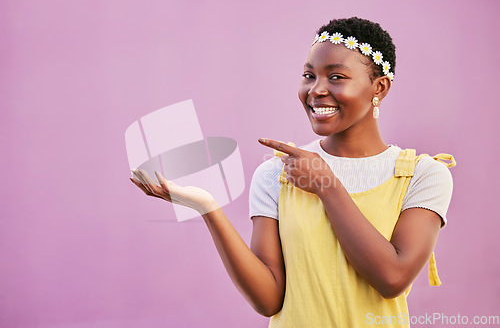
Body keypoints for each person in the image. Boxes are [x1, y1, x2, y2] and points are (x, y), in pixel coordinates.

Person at [129, 17, 455, 328]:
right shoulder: (278, 173)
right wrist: (208, 208)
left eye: (336, 77)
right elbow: (269, 300)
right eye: (309, 75)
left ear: (379, 88)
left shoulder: (422, 175)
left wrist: (327, 186)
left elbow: (392, 278)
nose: (316, 90)